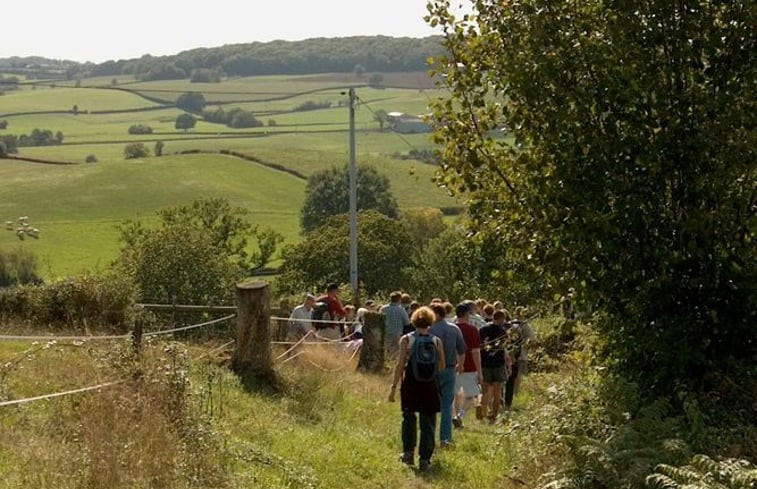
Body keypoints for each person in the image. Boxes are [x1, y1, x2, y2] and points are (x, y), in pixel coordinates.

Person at [389, 306, 444, 471]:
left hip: (411, 383)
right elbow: (442, 365)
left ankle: (408, 453)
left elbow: (400, 364)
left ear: (413, 320)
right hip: (429, 385)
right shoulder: (436, 341)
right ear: (430, 321)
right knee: (428, 421)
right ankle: (425, 458)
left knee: (409, 417)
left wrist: (393, 386)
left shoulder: (406, 339)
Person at [429, 302, 466, 447]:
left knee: (430, 404)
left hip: (430, 371)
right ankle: (445, 438)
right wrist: (460, 365)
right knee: (446, 405)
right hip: (449, 369)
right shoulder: (454, 329)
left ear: (436, 313)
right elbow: (462, 350)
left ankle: (429, 435)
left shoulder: (429, 329)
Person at [453, 302, 483, 428]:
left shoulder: (452, 329)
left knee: (455, 394)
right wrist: (480, 371)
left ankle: (455, 416)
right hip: (470, 366)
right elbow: (476, 352)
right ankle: (460, 415)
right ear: (467, 314)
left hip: (453, 366)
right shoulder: (472, 330)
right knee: (471, 396)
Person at [479, 310, 509, 422]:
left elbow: (479, 346)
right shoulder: (502, 331)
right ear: (500, 318)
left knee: (485, 391)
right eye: (503, 318)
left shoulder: (482, 330)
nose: (504, 321)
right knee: (497, 392)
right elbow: (506, 348)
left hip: (485, 363)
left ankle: (483, 413)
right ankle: (494, 415)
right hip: (498, 364)